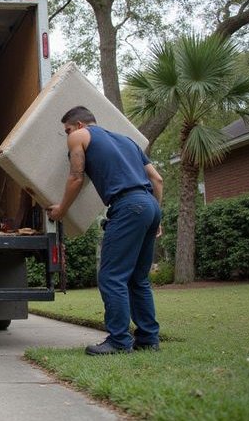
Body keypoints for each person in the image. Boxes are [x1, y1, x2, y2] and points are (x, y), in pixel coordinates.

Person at [47, 106, 164, 355]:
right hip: (149, 205)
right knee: (138, 278)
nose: (66, 136)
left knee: (112, 277)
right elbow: (157, 179)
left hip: (126, 206)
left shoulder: (79, 136)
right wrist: (157, 215)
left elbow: (76, 177)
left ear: (79, 125)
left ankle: (120, 341)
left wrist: (62, 210)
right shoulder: (128, 141)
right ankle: (148, 339)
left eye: (67, 130)